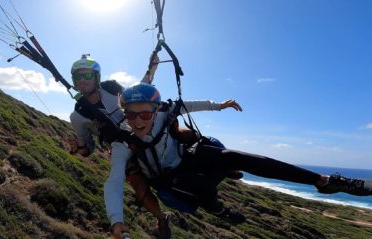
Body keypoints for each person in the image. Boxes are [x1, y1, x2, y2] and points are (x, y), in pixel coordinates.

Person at [105, 83, 372, 238]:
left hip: (187, 160)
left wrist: (218, 105)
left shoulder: (164, 112)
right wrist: (117, 219)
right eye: (131, 115)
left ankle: (324, 181)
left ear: (156, 109)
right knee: (203, 187)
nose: (138, 121)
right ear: (125, 113)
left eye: (145, 114)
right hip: (168, 179)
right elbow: (115, 181)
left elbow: (187, 105)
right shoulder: (123, 142)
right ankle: (217, 210)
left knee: (231, 155)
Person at [68, 55, 243, 238]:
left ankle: (225, 165)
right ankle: (161, 218)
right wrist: (78, 149)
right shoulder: (78, 115)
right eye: (77, 77)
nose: (82, 80)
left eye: (87, 75)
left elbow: (137, 93)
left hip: (143, 124)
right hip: (123, 146)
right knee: (138, 184)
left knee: (185, 132)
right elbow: (88, 146)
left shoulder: (112, 88)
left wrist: (153, 68)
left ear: (96, 76)